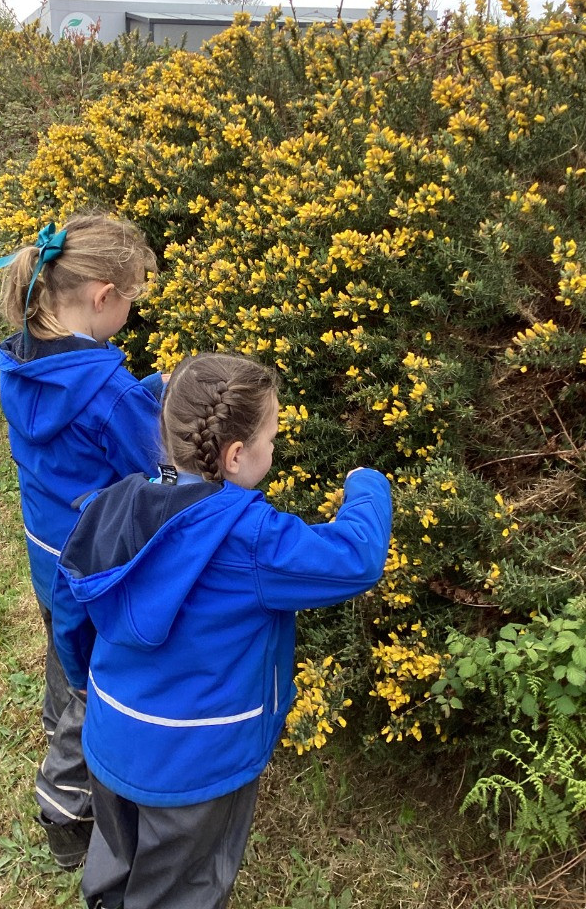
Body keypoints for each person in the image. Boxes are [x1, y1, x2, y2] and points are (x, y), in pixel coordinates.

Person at [52, 351, 393, 909]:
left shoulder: (116, 502)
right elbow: (354, 558)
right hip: (199, 761)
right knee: (184, 889)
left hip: (112, 736)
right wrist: (368, 486)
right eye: (273, 436)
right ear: (236, 454)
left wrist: (83, 683)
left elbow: (70, 606)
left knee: (115, 864)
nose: (276, 447)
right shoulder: (252, 539)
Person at [0, 213, 165, 870]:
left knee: (64, 661)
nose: (131, 309)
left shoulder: (21, 362)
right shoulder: (111, 395)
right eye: (133, 297)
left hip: (49, 559)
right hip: (96, 575)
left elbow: (81, 436)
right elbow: (151, 477)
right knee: (91, 689)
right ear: (104, 296)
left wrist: (147, 394)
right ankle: (66, 814)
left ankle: (55, 729)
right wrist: (156, 408)